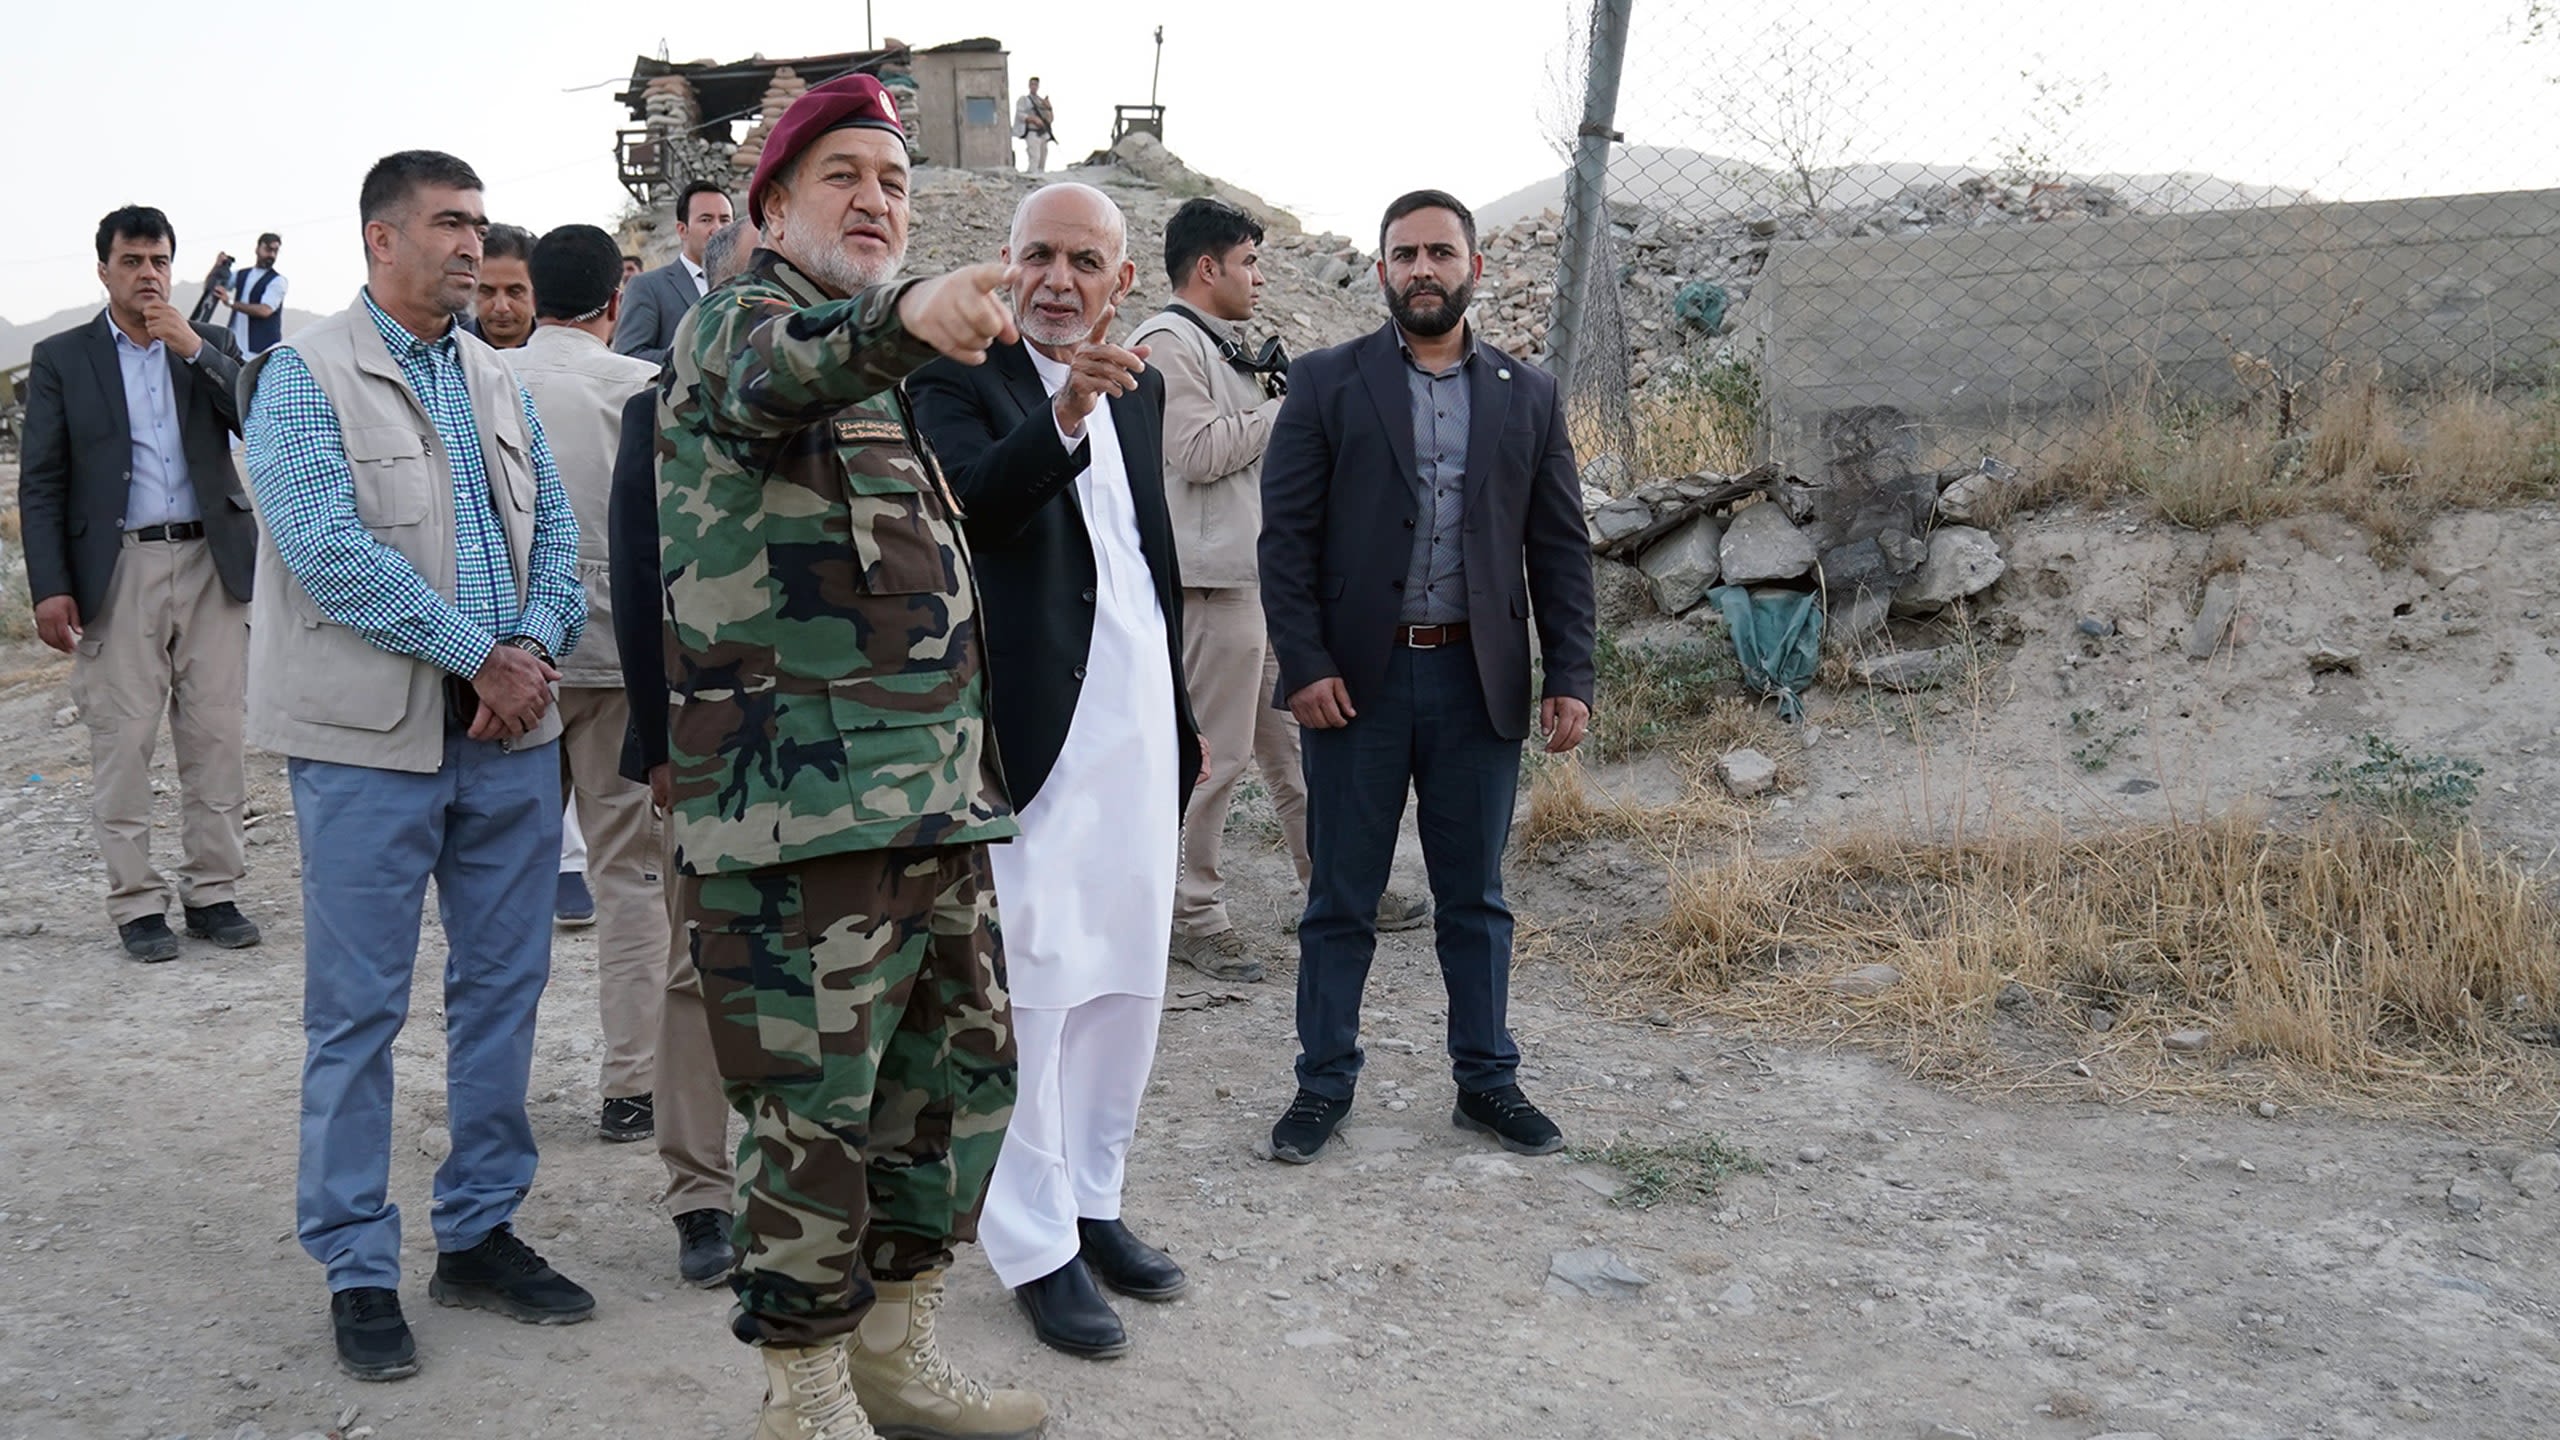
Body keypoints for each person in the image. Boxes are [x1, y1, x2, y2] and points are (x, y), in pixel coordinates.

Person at [657, 71, 1045, 1439]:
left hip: (929, 810)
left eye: (896, 183)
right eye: (845, 178)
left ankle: (896, 1357)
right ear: (769, 206)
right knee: (809, 1128)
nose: (879, 200)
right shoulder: (735, 334)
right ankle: (805, 1394)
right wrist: (907, 313)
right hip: (796, 822)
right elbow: (788, 373)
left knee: (949, 1091)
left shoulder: (874, 368)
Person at [241, 149, 593, 1383]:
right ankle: (354, 1261)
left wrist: (533, 654)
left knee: (501, 994)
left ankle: (480, 1231)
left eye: (480, 225)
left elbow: (555, 535)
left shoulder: (497, 378)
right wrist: (474, 657)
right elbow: (326, 552)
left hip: (508, 750)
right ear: (381, 239)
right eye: (449, 224)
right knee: (357, 1014)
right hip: (368, 754)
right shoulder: (298, 376)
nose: (471, 246)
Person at [911, 182, 1203, 1363]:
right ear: (1004, 262)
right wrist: (1066, 409)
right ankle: (1032, 1246)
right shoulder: (953, 380)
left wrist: (1178, 719)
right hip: (1030, 740)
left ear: (1120, 282)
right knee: (1032, 991)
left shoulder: (1141, 387)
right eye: (1038, 255)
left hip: (1136, 730)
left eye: (1085, 261)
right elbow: (972, 508)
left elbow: (1144, 558)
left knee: (1127, 983)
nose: (1057, 280)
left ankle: (1094, 1200)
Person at [1258, 189, 1597, 1166]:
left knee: (1475, 899)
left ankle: (1486, 1083)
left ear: (1473, 268)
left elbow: (1559, 548)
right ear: (1379, 273)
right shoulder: (1327, 383)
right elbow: (1285, 541)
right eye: (1403, 254)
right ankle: (1321, 1086)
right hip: (1352, 692)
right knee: (1339, 900)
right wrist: (1306, 665)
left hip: (1474, 685)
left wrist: (1569, 673)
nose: (1422, 269)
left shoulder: (1525, 394)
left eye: (1440, 252)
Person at [1130, 199, 1426, 985]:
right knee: (1214, 759)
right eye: (1249, 263)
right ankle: (1193, 915)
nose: (1259, 278)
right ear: (1208, 269)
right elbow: (1194, 453)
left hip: (1249, 581)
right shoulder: (1166, 343)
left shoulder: (1215, 345)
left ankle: (1333, 886)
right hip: (1208, 585)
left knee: (1291, 751)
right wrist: (1287, 408)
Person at [16, 205, 262, 961]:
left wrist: (195, 351)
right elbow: (42, 480)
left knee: (216, 735)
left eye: (158, 261)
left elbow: (261, 418)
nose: (147, 275)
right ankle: (136, 902)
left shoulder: (208, 344)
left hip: (211, 562)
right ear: (103, 269)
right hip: (116, 568)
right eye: (132, 261)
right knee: (123, 739)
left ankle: (213, 891)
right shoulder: (62, 358)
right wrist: (49, 585)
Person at [602, 212, 764, 1291]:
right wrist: (657, 744)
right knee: (696, 972)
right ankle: (701, 1196)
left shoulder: (861, 394)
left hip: (838, 740)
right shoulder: (654, 409)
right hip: (711, 736)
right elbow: (635, 577)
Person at [508, 223, 667, 1147]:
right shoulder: (639, 387)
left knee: (506, 880)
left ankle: (496, 1081)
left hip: (510, 665)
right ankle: (631, 1084)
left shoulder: (488, 382)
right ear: (618, 299)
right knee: (628, 878)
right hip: (614, 660)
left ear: (528, 294)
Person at [613, 180, 730, 365]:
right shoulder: (649, 287)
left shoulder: (747, 284)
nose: (718, 229)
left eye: (725, 220)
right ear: (682, 230)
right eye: (706, 220)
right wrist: (696, 359)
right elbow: (628, 356)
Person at [214, 231, 288, 355]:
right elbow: (214, 287)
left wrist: (230, 302)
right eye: (268, 249)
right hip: (235, 348)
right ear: (258, 248)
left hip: (260, 353)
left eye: (275, 251)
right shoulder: (241, 274)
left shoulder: (278, 281)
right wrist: (218, 267)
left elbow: (265, 310)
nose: (272, 255)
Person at [471, 223, 536, 350]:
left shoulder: (562, 354)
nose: (501, 307)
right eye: (487, 292)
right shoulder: (451, 351)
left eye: (515, 292)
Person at [1013, 78, 1054, 174]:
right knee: (1034, 157)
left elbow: (1050, 119)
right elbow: (1020, 114)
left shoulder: (1041, 101)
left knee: (1043, 158)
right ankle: (1032, 176)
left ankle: (1040, 177)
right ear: (1029, 86)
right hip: (1032, 131)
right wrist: (1033, 119)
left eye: (1035, 84)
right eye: (1032, 84)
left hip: (1043, 133)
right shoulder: (1025, 100)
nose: (1034, 86)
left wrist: (1049, 107)